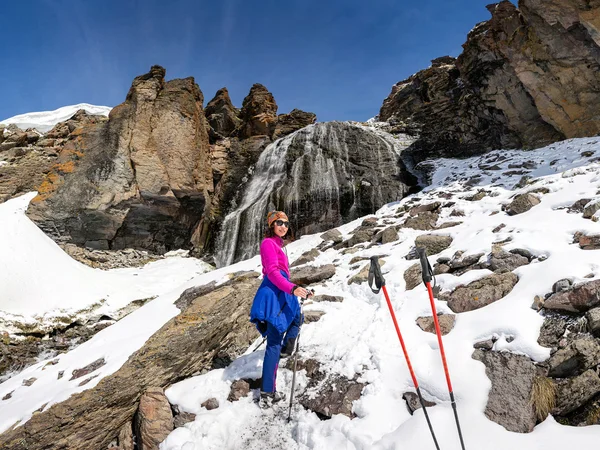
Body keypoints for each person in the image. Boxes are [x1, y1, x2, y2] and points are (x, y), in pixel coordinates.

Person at [250, 211, 308, 405]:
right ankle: (267, 392)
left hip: (282, 291)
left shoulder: (278, 246)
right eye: (279, 223)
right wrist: (292, 288)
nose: (283, 226)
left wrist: (299, 289)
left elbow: (281, 275)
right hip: (273, 293)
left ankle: (286, 349)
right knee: (273, 343)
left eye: (286, 223)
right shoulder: (268, 243)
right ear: (271, 225)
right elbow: (273, 272)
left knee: (297, 318)